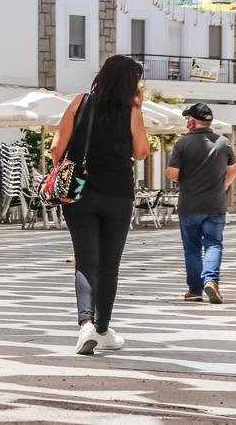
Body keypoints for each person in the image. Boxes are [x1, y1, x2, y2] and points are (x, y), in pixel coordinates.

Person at [51, 55, 149, 355]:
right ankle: (103, 329)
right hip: (118, 195)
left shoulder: (80, 102)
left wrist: (70, 171)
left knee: (86, 260)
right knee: (110, 264)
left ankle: (86, 325)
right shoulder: (130, 110)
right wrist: (139, 109)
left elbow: (56, 147)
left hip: (79, 194)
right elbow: (142, 152)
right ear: (130, 83)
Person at [166, 103, 236, 304]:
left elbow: (172, 173)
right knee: (214, 244)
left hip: (190, 204)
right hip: (215, 204)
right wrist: (223, 185)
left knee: (192, 248)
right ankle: (211, 281)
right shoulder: (224, 143)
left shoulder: (182, 144)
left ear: (192, 121)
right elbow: (233, 168)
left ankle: (195, 290)